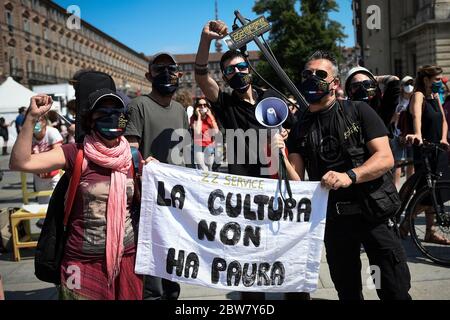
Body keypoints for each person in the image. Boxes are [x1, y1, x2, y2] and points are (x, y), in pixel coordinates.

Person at [276, 51, 411, 300]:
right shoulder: (299, 126)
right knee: (348, 291)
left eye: (320, 74)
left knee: (394, 289)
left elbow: (385, 158)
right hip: (335, 223)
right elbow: (296, 181)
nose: (311, 79)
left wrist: (350, 175)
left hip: (373, 214)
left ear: (335, 83)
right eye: (306, 75)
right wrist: (280, 153)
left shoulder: (358, 111)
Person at [195, 20, 303, 300]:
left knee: (288, 257)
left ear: (251, 70)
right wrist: (205, 40)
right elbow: (200, 74)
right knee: (250, 264)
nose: (238, 72)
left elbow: (296, 130)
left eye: (242, 67)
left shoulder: (271, 98)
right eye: (230, 70)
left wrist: (287, 135)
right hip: (246, 193)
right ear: (225, 77)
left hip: (279, 187)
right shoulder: (225, 102)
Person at [10, 90, 144, 300]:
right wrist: (32, 117)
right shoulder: (75, 153)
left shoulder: (133, 157)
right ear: (90, 120)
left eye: (117, 112)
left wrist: (152, 174)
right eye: (102, 113)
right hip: (80, 263)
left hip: (127, 258)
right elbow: (21, 162)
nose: (111, 117)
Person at [125, 52, 187, 300]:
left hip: (177, 201)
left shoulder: (181, 109)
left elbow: (184, 153)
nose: (166, 74)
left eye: (171, 69)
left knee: (174, 274)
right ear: (148, 74)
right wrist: (141, 164)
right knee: (153, 283)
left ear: (179, 75)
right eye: (159, 68)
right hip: (148, 202)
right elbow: (129, 149)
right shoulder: (138, 106)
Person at [403, 65, 450, 245]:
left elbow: (444, 120)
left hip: (439, 147)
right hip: (425, 148)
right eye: (437, 79)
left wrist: (444, 138)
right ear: (426, 80)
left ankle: (429, 231)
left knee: (437, 191)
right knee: (427, 190)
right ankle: (409, 220)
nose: (440, 82)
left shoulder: (436, 96)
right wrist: (417, 135)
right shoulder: (419, 95)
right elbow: (416, 116)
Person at [389, 76, 415, 189]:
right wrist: (396, 117)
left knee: (411, 162)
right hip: (398, 135)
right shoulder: (396, 101)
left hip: (412, 135)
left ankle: (410, 187)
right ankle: (396, 187)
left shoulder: (416, 99)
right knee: (398, 162)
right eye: (406, 84)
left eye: (411, 83)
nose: (409, 86)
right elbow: (390, 120)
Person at [32, 115, 63, 204]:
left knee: (58, 201)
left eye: (37, 121)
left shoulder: (52, 132)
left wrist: (42, 164)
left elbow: (58, 153)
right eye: (31, 120)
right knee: (43, 203)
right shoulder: (27, 135)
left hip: (55, 173)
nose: (34, 124)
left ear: (44, 122)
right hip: (39, 175)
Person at [191, 98, 219, 171]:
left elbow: (216, 132)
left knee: (209, 168)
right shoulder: (193, 118)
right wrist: (199, 117)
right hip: (198, 147)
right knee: (203, 169)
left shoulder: (211, 117)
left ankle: (209, 182)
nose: (202, 107)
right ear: (196, 107)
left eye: (205, 105)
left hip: (210, 146)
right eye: (200, 105)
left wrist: (210, 116)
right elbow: (197, 132)